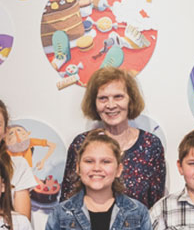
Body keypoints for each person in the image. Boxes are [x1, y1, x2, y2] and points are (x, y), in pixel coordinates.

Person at [60, 67, 166, 208]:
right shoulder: (81, 144)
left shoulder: (150, 145)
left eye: (118, 97)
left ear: (131, 100)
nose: (110, 105)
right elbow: (67, 203)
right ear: (94, 103)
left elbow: (156, 208)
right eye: (103, 98)